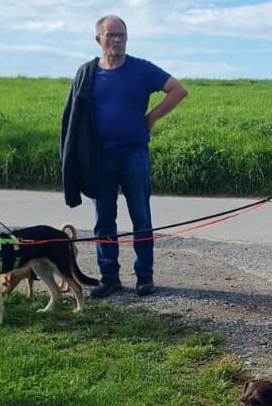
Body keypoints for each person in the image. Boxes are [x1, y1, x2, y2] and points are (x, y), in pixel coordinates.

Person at [60, 15, 187, 298]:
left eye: (122, 35)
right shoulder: (87, 73)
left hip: (133, 154)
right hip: (100, 157)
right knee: (104, 219)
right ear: (98, 40)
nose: (117, 40)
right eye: (111, 35)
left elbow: (179, 90)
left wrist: (151, 117)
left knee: (141, 216)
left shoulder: (141, 69)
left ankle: (144, 276)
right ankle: (109, 277)